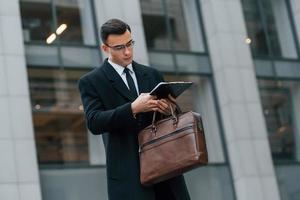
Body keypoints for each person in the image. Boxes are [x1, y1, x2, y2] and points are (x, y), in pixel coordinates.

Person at [78, 18, 190, 200]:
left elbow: (172, 117)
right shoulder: (91, 81)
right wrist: (132, 108)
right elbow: (94, 122)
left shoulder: (152, 74)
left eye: (130, 44)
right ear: (105, 48)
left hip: (166, 169)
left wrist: (167, 108)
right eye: (119, 47)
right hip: (128, 175)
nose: (127, 51)